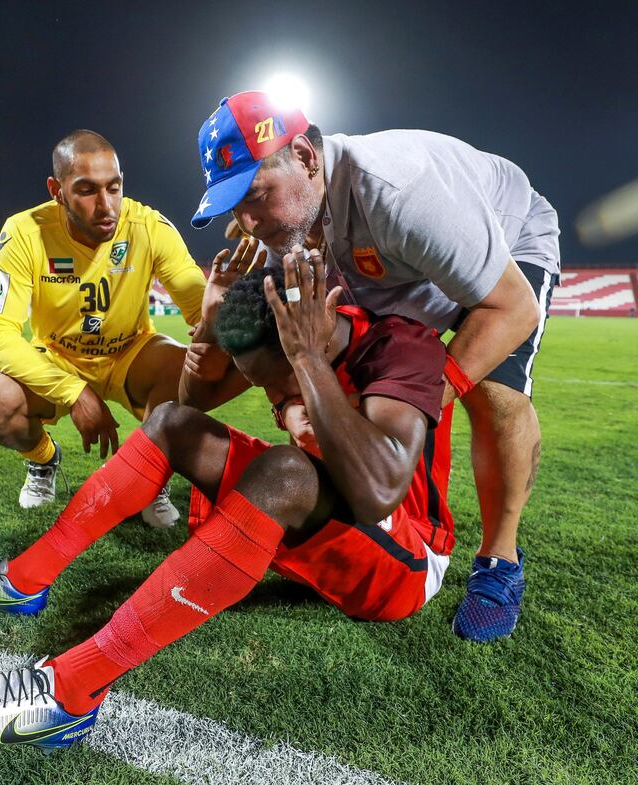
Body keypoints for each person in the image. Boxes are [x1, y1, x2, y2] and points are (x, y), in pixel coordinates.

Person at [0, 245, 454, 751]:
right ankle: (24, 582)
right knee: (172, 423)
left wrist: (308, 366)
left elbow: (381, 494)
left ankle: (66, 693)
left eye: (277, 383)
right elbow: (194, 399)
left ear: (312, 336)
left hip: (404, 564)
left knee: (284, 470)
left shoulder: (400, 347)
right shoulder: (278, 344)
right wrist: (209, 328)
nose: (273, 398)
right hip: (326, 523)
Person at [187, 91, 560, 642]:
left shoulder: (399, 191)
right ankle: (393, 510)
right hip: (402, 265)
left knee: (494, 393)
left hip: (502, 247)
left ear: (307, 158)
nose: (246, 221)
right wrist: (288, 402)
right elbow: (277, 357)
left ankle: (499, 561)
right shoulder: (292, 224)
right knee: (345, 367)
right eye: (233, 205)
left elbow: (512, 308)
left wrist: (428, 394)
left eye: (255, 195)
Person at [0, 130, 206, 527]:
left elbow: (199, 309)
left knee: (188, 369)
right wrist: (73, 391)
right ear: (57, 190)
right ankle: (44, 460)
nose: (106, 206)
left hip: (130, 352)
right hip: (59, 358)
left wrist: (229, 301)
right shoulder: (25, 232)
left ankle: (154, 473)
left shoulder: (148, 227)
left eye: (113, 188)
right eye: (86, 190)